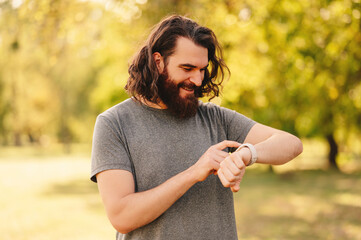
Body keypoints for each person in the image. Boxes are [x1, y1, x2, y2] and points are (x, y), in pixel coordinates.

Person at [90, 15, 303, 240]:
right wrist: (193, 173)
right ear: (158, 61)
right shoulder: (114, 124)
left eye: (202, 69)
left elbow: (292, 144)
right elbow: (122, 217)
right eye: (187, 68)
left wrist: (246, 154)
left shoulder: (215, 117)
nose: (198, 80)